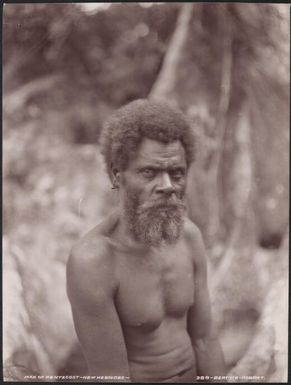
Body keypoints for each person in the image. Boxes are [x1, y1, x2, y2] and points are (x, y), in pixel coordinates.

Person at [66, 99, 226, 383]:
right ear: (117, 175)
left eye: (176, 173)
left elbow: (204, 340)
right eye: (149, 172)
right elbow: (111, 377)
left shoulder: (189, 237)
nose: (167, 186)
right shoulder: (93, 261)